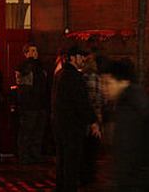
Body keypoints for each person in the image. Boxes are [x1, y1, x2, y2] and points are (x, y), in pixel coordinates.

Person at [101, 59, 149, 191]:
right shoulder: (136, 99)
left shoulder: (128, 107)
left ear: (123, 82)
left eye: (108, 83)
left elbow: (126, 150)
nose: (104, 88)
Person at [52, 46, 99, 192]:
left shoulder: (60, 74)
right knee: (71, 162)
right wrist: (92, 121)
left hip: (59, 124)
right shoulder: (74, 77)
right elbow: (82, 103)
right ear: (73, 57)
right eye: (81, 56)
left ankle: (61, 187)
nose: (83, 59)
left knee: (62, 160)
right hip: (72, 126)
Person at [15, 42, 49, 165]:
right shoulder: (25, 67)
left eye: (36, 51)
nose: (35, 53)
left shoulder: (41, 67)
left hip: (40, 103)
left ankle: (35, 154)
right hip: (30, 105)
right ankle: (24, 155)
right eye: (32, 51)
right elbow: (24, 87)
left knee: (38, 132)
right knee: (27, 131)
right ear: (26, 53)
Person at [81, 51, 104, 185]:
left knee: (85, 148)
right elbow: (101, 98)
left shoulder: (82, 78)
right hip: (96, 116)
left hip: (85, 117)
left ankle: (84, 175)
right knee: (93, 149)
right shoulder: (98, 78)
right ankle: (90, 175)